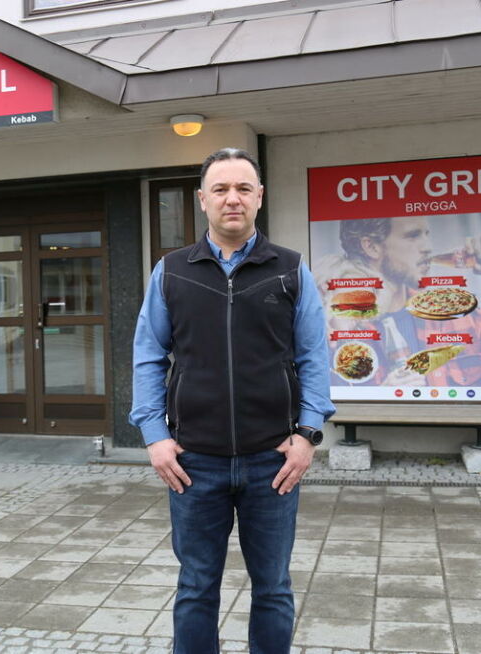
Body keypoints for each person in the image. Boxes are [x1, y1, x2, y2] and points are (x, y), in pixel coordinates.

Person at [130, 147, 335, 653]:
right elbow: (148, 356)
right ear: (202, 200)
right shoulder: (171, 272)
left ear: (259, 197)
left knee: (273, 588)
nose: (232, 199)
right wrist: (155, 437)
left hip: (274, 462)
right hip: (193, 462)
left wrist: (307, 436)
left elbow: (313, 357)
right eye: (220, 189)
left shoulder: (290, 270)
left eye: (243, 188)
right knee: (196, 588)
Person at [316, 215, 481, 387]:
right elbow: (322, 407)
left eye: (426, 234)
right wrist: (381, 400)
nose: (428, 247)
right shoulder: (335, 331)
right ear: (372, 247)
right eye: (413, 236)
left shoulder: (456, 315)